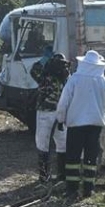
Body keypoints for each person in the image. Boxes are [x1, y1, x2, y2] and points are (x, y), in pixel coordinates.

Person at [56, 50, 105, 199]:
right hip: (95, 125)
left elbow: (64, 102)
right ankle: (88, 189)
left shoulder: (74, 79)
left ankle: (72, 190)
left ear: (83, 63)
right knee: (91, 157)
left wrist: (60, 119)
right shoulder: (103, 81)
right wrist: (99, 103)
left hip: (76, 125)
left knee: (73, 158)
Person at [30, 48, 71, 183]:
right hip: (61, 113)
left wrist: (44, 59)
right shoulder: (67, 78)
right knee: (62, 143)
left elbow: (33, 70)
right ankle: (62, 175)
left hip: (44, 113)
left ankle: (44, 176)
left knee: (43, 143)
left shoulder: (45, 77)